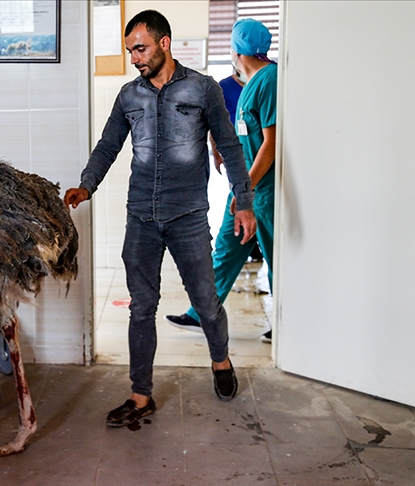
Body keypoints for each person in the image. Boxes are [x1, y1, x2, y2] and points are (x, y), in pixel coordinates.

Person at [64, 10, 257, 427]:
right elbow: (108, 145)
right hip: (142, 218)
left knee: (206, 302)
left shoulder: (202, 88)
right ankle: (141, 395)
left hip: (188, 216)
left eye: (140, 48)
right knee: (141, 308)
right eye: (130, 51)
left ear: (164, 43)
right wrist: (87, 185)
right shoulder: (128, 96)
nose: (134, 58)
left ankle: (220, 360)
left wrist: (244, 201)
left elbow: (229, 145)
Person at [166, 18, 278, 343]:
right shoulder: (252, 82)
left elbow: (271, 143)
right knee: (227, 249)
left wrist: (248, 188)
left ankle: (288, 325)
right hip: (245, 187)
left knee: (276, 259)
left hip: (261, 190)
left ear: (237, 51)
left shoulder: (269, 80)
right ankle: (200, 313)